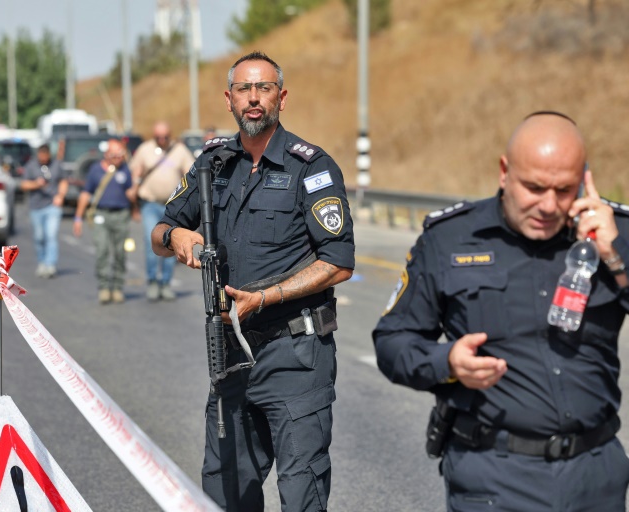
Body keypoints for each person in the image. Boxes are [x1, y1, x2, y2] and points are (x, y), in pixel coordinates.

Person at [373, 112, 629, 511]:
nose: (548, 205)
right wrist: (448, 362)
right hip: (494, 476)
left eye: (564, 189)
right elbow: (392, 342)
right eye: (534, 187)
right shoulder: (449, 239)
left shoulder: (614, 234)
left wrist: (617, 258)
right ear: (504, 172)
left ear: (584, 179)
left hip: (596, 480)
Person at [151, 51, 355, 511]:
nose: (254, 99)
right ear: (229, 99)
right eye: (244, 89)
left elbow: (339, 262)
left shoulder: (312, 168)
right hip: (229, 354)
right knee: (225, 492)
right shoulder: (212, 165)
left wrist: (266, 297)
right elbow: (159, 233)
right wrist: (176, 234)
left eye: (264, 88)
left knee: (302, 494)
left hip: (295, 354)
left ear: (281, 97)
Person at [129, 121, 195, 301]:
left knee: (170, 244)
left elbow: (191, 172)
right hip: (150, 204)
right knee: (153, 244)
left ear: (170, 135)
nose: (161, 140)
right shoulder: (145, 149)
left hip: (171, 206)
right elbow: (136, 171)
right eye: (158, 137)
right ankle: (152, 281)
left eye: (165, 137)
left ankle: (165, 283)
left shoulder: (179, 150)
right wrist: (133, 191)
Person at [73, 139, 133, 304]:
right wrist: (78, 218)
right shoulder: (95, 170)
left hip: (121, 215)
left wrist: (135, 206)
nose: (118, 158)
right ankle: (104, 287)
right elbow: (85, 194)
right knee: (102, 251)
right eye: (115, 155)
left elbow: (131, 192)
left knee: (120, 253)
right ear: (107, 155)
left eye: (121, 154)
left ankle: (118, 287)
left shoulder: (126, 170)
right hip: (101, 215)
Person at [19, 144, 67, 278]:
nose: (44, 158)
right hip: (36, 206)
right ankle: (42, 262)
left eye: (46, 156)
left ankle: (50, 264)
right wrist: (36, 184)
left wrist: (61, 196)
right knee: (39, 236)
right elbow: (23, 185)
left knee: (51, 235)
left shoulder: (56, 165)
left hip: (52, 205)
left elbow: (63, 181)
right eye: (42, 156)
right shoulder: (31, 166)